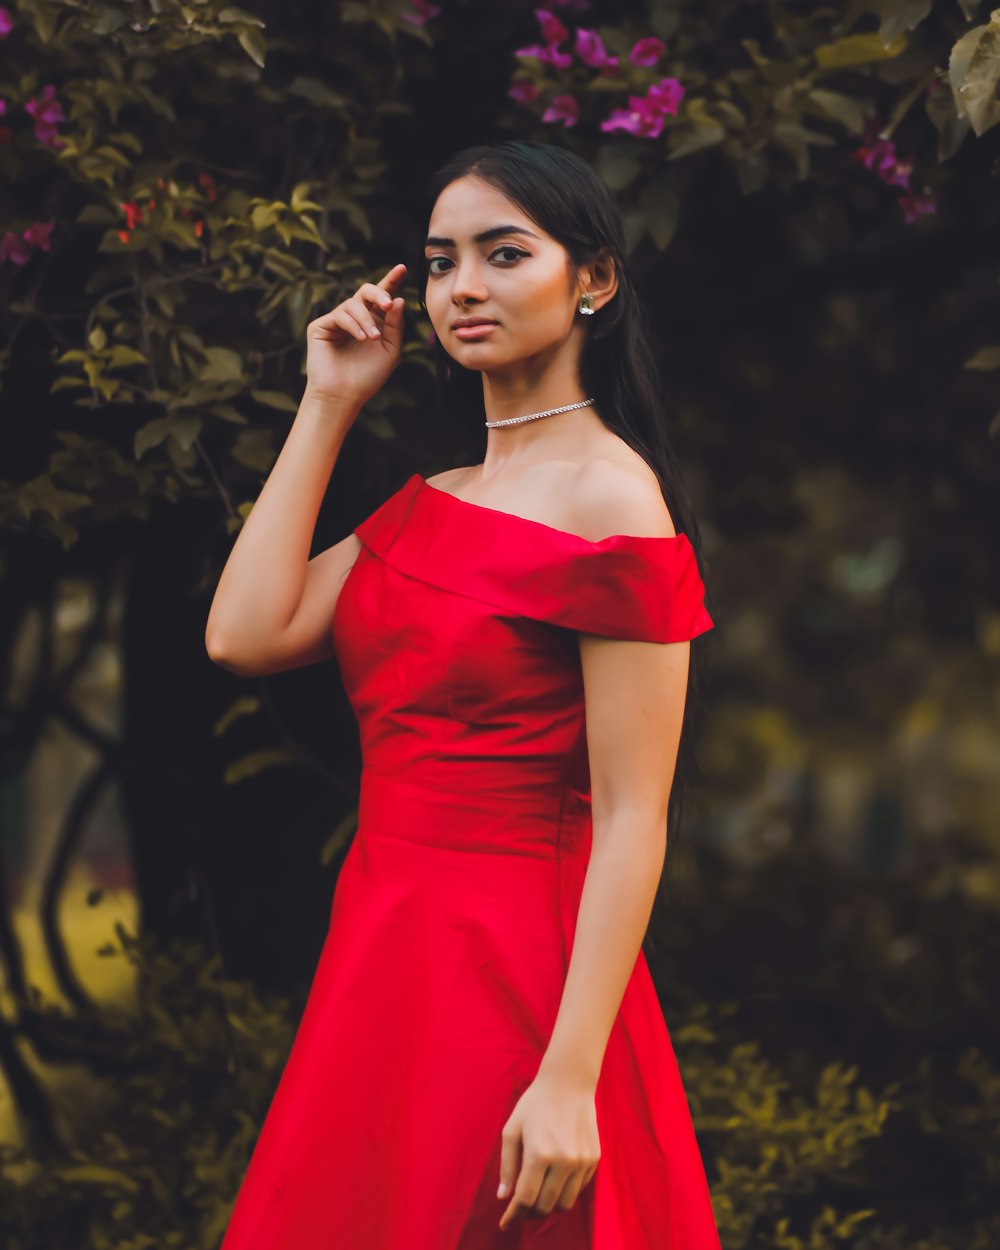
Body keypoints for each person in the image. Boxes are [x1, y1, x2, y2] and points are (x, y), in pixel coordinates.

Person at [206, 139, 722, 1249]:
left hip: (519, 973)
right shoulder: (435, 498)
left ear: (593, 279)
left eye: (503, 253)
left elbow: (635, 810)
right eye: (442, 262)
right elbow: (244, 632)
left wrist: (572, 1073)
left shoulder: (612, 500)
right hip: (384, 950)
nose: (463, 288)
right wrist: (328, 401)